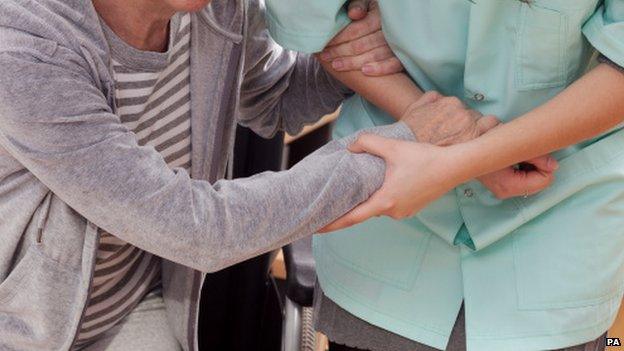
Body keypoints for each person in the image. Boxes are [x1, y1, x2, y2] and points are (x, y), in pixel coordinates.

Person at [0, 0, 490, 350]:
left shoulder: (210, 10)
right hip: (24, 328)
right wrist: (407, 145)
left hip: (132, 304)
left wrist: (365, 51)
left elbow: (275, 98)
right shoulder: (23, 48)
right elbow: (198, 228)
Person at [265, 0, 624, 350]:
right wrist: (453, 134)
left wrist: (469, 155)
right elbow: (317, 19)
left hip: (561, 230)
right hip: (388, 238)